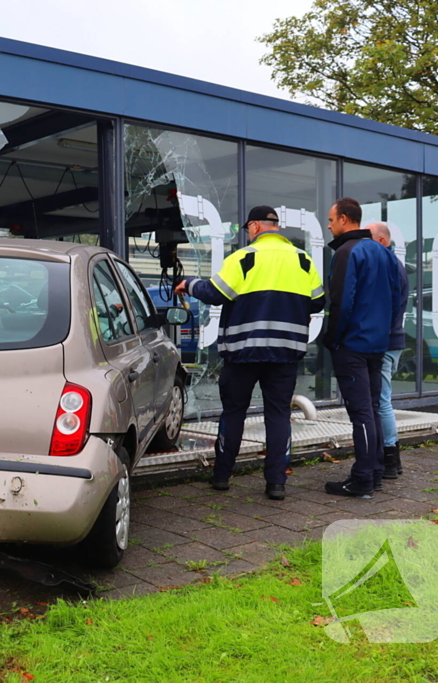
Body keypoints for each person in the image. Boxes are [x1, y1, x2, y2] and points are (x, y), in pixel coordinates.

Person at [175, 206, 324, 501]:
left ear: (255, 226)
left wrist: (188, 284)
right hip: (285, 353)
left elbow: (216, 292)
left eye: (247, 229)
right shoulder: (303, 260)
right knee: (279, 415)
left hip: (243, 353)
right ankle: (276, 484)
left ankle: (221, 476)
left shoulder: (244, 258)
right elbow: (318, 302)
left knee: (234, 412)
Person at [322, 199, 404, 498]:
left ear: (345, 219)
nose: (329, 225)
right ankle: (376, 472)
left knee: (361, 413)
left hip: (353, 344)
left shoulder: (347, 252)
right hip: (378, 344)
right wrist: (383, 333)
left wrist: (332, 338)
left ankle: (363, 479)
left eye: (331, 219)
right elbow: (397, 301)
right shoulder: (385, 253)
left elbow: (341, 300)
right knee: (372, 408)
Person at [365, 222, 409, 480]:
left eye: (370, 239)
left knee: (382, 401)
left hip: (386, 342)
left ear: (382, 241)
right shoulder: (395, 266)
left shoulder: (389, 267)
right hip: (392, 340)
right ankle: (390, 458)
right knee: (382, 399)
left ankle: (390, 458)